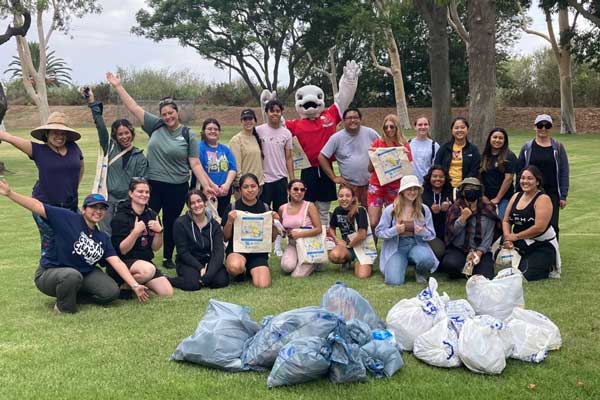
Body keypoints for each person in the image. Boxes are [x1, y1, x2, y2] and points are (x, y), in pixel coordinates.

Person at [107, 72, 216, 269]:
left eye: (170, 113)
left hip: (177, 186)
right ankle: (136, 254)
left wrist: (208, 185)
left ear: (177, 112)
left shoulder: (187, 134)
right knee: (145, 218)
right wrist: (118, 86)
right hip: (154, 185)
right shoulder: (155, 125)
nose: (168, 117)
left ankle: (168, 257)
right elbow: (133, 107)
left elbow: (196, 164)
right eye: (164, 114)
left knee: (171, 221)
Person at [0, 179, 149, 313]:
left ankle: (72, 295)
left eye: (102, 208)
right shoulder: (67, 218)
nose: (98, 211)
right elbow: (38, 206)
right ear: (84, 209)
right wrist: (10, 193)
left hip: (84, 274)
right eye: (93, 207)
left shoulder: (102, 237)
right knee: (71, 275)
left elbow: (116, 261)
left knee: (111, 292)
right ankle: (63, 306)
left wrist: (135, 285)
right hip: (51, 273)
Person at [0, 112, 84, 260]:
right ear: (47, 133)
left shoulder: (74, 148)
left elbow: (80, 167)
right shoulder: (38, 150)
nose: (59, 136)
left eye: (63, 133)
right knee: (52, 243)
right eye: (55, 132)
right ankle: (48, 275)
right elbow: (9, 137)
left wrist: (72, 186)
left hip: (70, 205)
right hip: (44, 206)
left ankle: (73, 275)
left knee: (76, 240)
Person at [85, 87, 148, 234]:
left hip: (127, 203)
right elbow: (100, 126)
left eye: (127, 133)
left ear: (132, 134)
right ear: (115, 136)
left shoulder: (139, 157)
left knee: (124, 233)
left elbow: (141, 182)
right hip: (107, 199)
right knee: (106, 233)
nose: (124, 137)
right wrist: (92, 103)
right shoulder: (109, 149)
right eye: (120, 134)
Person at [110, 178, 173, 297]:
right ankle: (123, 286)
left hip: (145, 261)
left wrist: (160, 232)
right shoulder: (121, 216)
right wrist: (135, 232)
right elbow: (122, 250)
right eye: (140, 191)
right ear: (130, 193)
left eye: (147, 192)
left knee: (167, 292)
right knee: (148, 270)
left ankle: (134, 284)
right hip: (124, 262)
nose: (144, 195)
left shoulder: (152, 214)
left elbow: (155, 248)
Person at [375, 175, 438, 285]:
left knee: (427, 259)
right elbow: (379, 232)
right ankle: (399, 266)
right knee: (393, 281)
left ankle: (420, 271)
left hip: (416, 244)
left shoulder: (424, 209)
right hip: (397, 248)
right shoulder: (391, 210)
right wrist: (395, 230)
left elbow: (431, 234)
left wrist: (422, 231)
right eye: (409, 189)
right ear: (402, 191)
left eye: (415, 189)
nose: (412, 192)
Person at [222, 173, 280, 288]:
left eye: (253, 186)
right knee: (234, 267)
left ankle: (251, 269)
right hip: (237, 249)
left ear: (259, 188)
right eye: (245, 187)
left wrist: (275, 225)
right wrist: (229, 221)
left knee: (263, 284)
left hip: (258, 252)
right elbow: (225, 237)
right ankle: (241, 270)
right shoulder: (233, 207)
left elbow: (271, 239)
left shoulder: (265, 208)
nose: (250, 190)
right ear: (240, 190)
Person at [502, 166, 560, 280]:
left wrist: (516, 236)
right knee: (503, 268)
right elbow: (506, 220)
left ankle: (547, 266)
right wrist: (508, 238)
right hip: (520, 243)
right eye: (523, 178)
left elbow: (539, 227)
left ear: (537, 181)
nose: (525, 181)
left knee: (524, 275)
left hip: (542, 245)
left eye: (529, 178)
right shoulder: (516, 196)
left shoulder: (543, 199)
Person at [517, 114, 569, 239]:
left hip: (552, 193)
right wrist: (518, 192)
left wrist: (563, 195)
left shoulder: (558, 147)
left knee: (552, 225)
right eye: (540, 125)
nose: (543, 129)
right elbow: (519, 172)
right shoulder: (527, 147)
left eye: (547, 126)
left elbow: (564, 171)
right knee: (529, 223)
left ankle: (552, 254)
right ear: (535, 127)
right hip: (531, 192)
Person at [169, 189, 230, 291]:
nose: (197, 205)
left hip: (208, 260)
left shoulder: (214, 225)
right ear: (188, 206)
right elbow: (183, 252)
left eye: (199, 201)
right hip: (188, 261)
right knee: (192, 285)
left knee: (221, 281)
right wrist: (200, 268)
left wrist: (209, 273)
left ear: (205, 202)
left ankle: (202, 277)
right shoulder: (180, 223)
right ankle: (168, 280)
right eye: (192, 203)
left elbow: (219, 251)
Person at [440, 177, 499, 279]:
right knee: (450, 265)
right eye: (468, 189)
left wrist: (479, 253)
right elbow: (452, 233)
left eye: (475, 189)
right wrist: (462, 218)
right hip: (459, 249)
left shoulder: (488, 209)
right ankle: (465, 270)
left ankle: (471, 269)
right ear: (462, 192)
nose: (472, 191)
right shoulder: (455, 208)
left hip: (479, 250)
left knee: (487, 275)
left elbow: (489, 236)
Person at [319, 107, 379, 207]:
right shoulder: (336, 138)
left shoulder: (370, 133)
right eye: (349, 118)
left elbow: (383, 149)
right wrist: (334, 177)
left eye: (356, 117)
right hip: (349, 186)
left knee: (372, 218)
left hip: (370, 185)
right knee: (350, 216)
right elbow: (322, 157)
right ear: (343, 121)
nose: (353, 120)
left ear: (360, 119)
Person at [366, 114, 412, 236]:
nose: (389, 130)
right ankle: (373, 249)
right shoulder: (377, 143)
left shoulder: (404, 145)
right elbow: (370, 169)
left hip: (395, 187)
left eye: (392, 127)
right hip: (377, 185)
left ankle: (392, 247)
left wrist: (404, 157)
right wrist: (372, 157)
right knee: (373, 221)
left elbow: (408, 171)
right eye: (386, 127)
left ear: (397, 128)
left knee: (394, 219)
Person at [190, 118, 237, 219]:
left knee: (222, 219)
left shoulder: (225, 149)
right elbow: (199, 168)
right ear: (203, 131)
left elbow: (232, 168)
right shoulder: (199, 147)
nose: (213, 131)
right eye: (209, 129)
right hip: (206, 190)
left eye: (215, 129)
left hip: (224, 191)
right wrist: (213, 186)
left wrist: (226, 185)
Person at [278, 179, 323, 277]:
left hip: (309, 245)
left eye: (302, 190)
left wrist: (299, 234)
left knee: (296, 276)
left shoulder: (310, 206)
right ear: (289, 191)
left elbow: (319, 229)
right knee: (287, 267)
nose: (299, 192)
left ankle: (314, 262)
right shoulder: (282, 208)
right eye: (296, 189)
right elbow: (281, 230)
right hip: (293, 244)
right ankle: (299, 258)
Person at [257, 99, 294, 213]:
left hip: (280, 178)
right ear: (267, 112)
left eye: (278, 111)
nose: (275, 113)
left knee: (281, 212)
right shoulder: (258, 130)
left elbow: (288, 158)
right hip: (264, 180)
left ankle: (279, 231)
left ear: (281, 113)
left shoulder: (286, 133)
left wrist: (292, 180)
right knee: (263, 212)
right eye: (272, 111)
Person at [328, 185, 372, 278]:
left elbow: (362, 235)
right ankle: (346, 260)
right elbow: (331, 228)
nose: (344, 199)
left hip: (362, 247)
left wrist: (348, 245)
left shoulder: (360, 210)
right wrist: (336, 240)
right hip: (348, 247)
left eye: (347, 196)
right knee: (334, 255)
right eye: (341, 196)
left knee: (362, 275)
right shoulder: (337, 210)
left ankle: (360, 261)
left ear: (353, 198)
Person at [480, 128, 518, 219]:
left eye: (501, 138)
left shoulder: (509, 156)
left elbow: (508, 179)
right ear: (490, 139)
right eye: (495, 137)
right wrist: (482, 196)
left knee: (501, 222)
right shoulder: (484, 156)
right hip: (486, 198)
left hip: (504, 198)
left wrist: (497, 198)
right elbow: (479, 177)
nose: (497, 140)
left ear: (505, 141)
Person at [434, 117, 481, 188]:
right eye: (456, 128)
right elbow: (437, 166)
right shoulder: (444, 148)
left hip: (465, 187)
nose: (459, 130)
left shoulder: (473, 150)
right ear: (452, 130)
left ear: (467, 129)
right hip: (445, 186)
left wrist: (463, 184)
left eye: (462, 127)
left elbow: (474, 170)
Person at [229, 109, 264, 199]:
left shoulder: (256, 138)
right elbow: (236, 165)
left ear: (255, 121)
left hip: (258, 186)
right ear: (241, 122)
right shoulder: (236, 140)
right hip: (245, 188)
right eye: (245, 119)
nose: (248, 121)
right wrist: (242, 186)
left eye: (250, 119)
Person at [421, 165, 453, 260]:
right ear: (429, 177)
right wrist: (430, 211)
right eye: (434, 176)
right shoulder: (422, 193)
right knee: (439, 251)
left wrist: (449, 207)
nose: (438, 179)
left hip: (447, 232)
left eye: (441, 176)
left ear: (445, 178)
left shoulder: (452, 192)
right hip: (429, 233)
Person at [410, 117, 440, 184]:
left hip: (427, 183)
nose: (423, 127)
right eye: (420, 125)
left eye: (425, 124)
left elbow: (436, 167)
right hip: (411, 183)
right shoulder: (408, 144)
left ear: (429, 126)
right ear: (415, 127)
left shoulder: (434, 145)